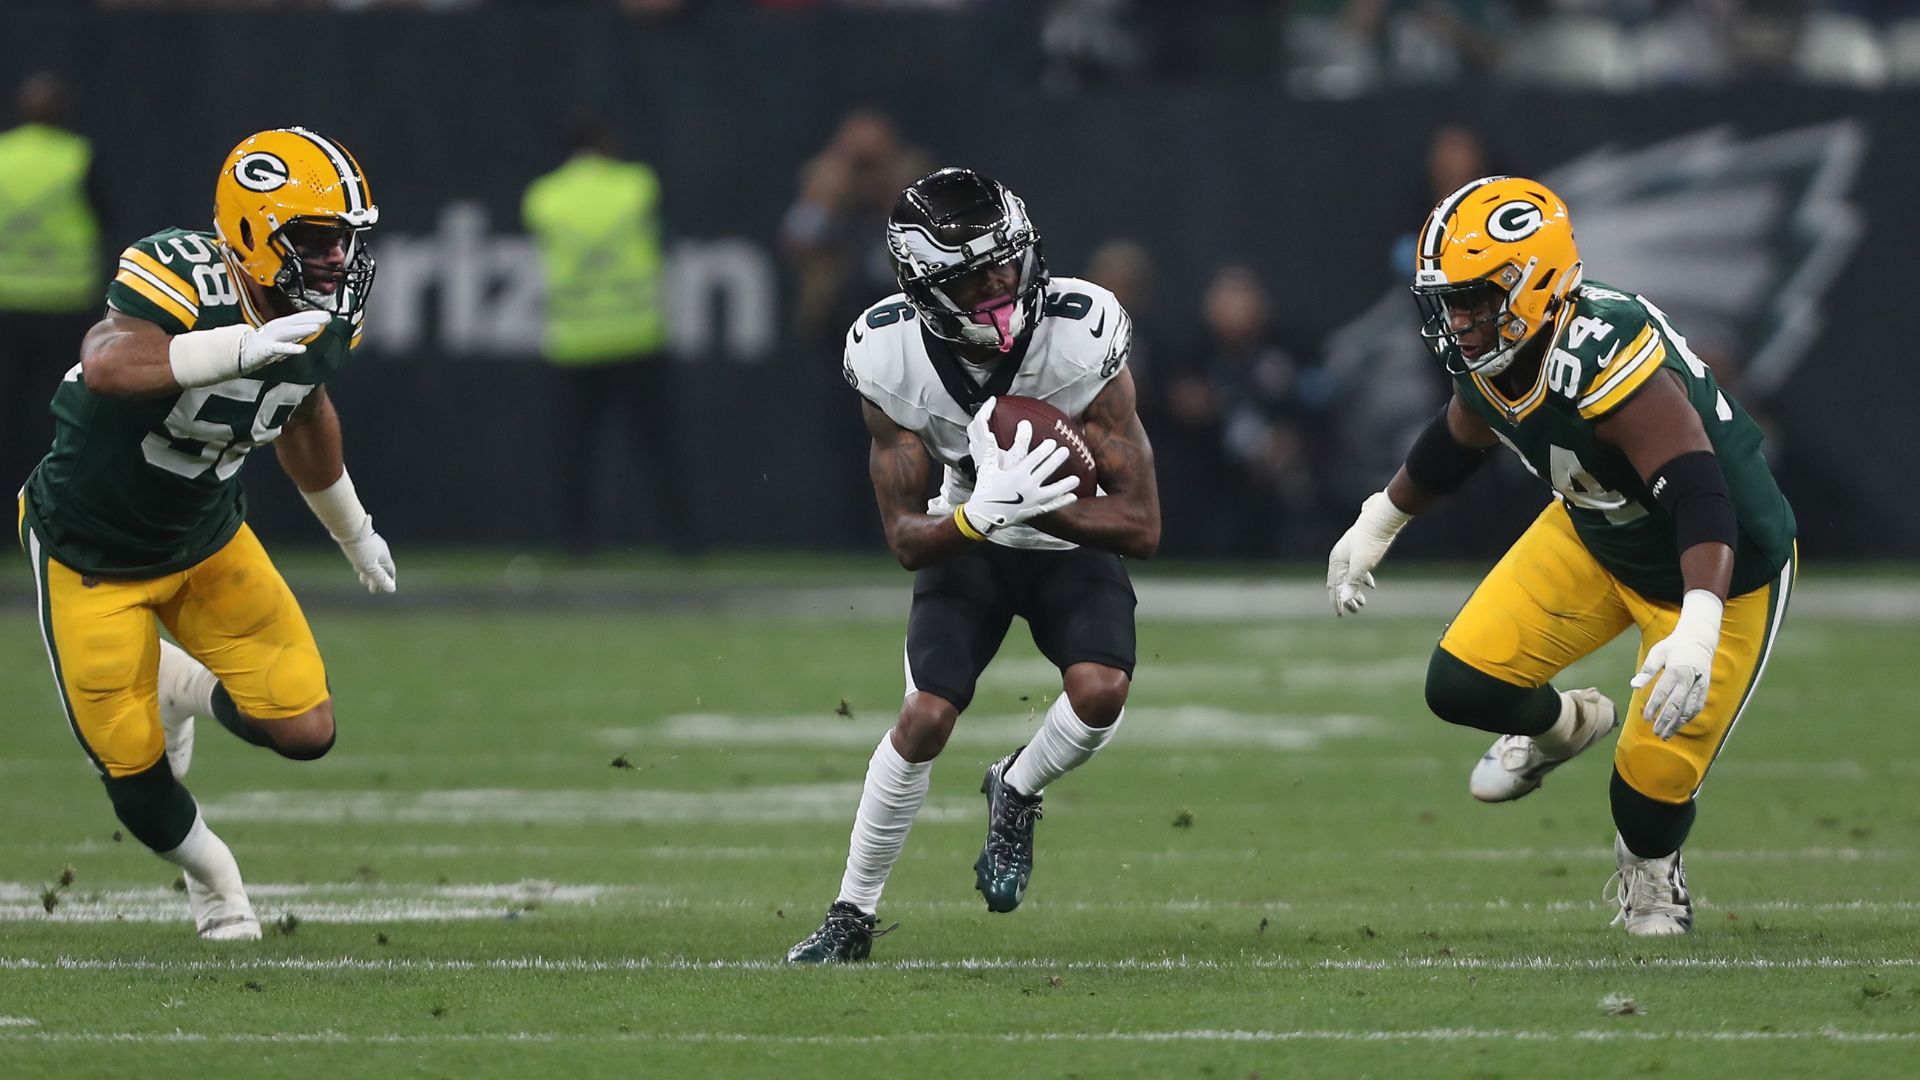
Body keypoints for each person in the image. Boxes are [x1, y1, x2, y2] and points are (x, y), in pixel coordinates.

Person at [1326, 176, 1796, 935]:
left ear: (1534, 285)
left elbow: (1704, 499)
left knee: (1646, 793)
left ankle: (1652, 871)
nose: (1459, 320)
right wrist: (1381, 517)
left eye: (1475, 297)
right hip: (1598, 534)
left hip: (1719, 567)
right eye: (1448, 299)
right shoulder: (1500, 351)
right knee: (1461, 685)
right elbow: (1461, 433)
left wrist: (1700, 625)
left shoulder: (1602, 356)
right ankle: (1562, 727)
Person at [17, 127, 397, 941]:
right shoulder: (186, 274)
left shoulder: (325, 319)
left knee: (307, 730)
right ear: (258, 235)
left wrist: (353, 531)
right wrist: (231, 348)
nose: (339, 260)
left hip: (205, 540)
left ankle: (181, 685)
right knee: (137, 781)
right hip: (91, 553)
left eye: (347, 241)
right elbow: (111, 362)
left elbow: (305, 412)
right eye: (321, 239)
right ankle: (215, 877)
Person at [787, 167, 1161, 963]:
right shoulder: (889, 356)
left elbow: (1140, 524)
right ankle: (851, 915)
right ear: (927, 291)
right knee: (924, 717)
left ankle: (1017, 788)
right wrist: (977, 515)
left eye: (1008, 260)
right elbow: (903, 539)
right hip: (971, 538)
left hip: (1064, 540)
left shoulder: (1080, 332)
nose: (1002, 283)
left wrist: (1038, 506)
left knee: (1101, 692)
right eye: (975, 275)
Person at [521, 116, 679, 552]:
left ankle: (575, 542)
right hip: (637, 335)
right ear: (608, 145)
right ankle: (683, 540)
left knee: (574, 454)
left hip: (574, 341)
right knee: (660, 449)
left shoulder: (543, 197)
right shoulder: (637, 184)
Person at [0, 73, 106, 490]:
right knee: (60, 412)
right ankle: (51, 499)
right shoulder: (77, 155)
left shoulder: (3, 155)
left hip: (7, 302)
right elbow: (105, 218)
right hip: (65, 303)